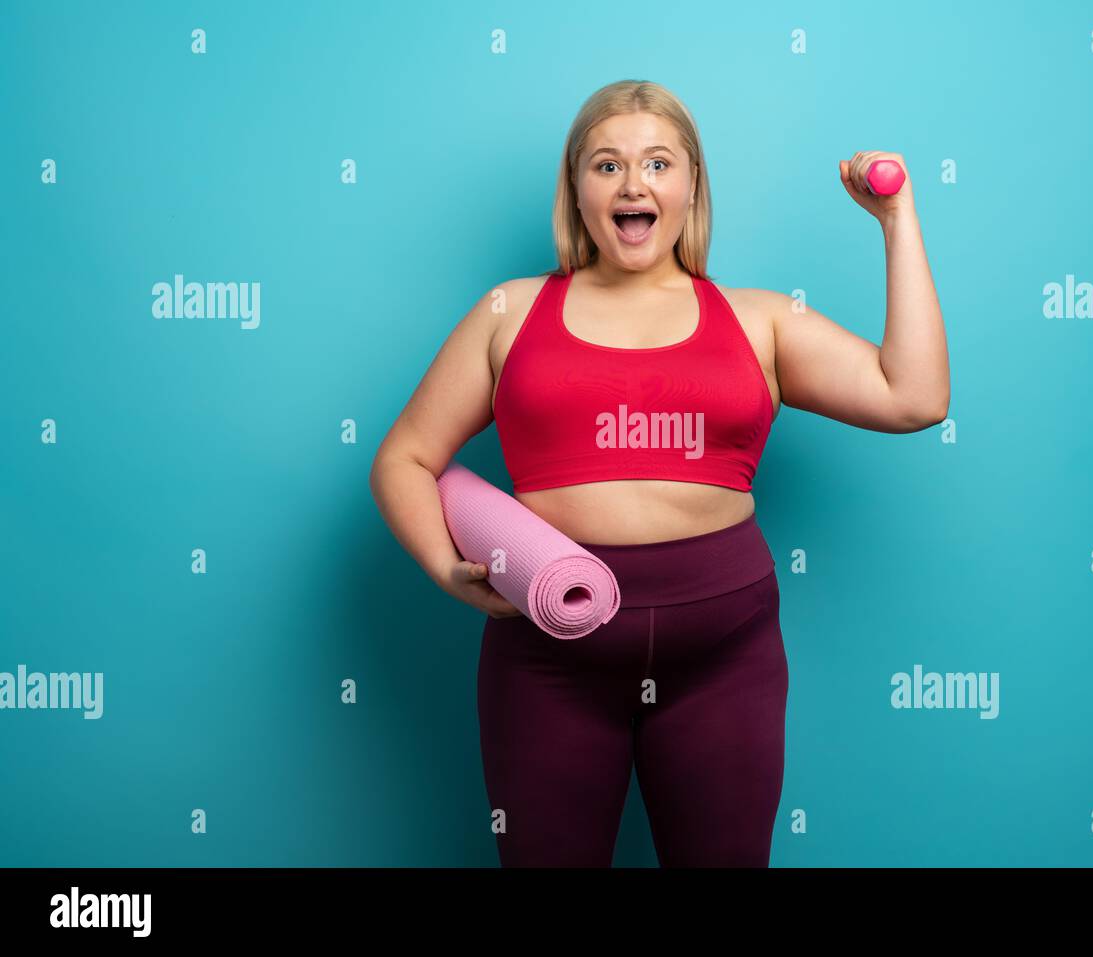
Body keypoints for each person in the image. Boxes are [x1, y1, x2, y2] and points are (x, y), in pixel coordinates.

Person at [369, 79, 948, 867]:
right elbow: (404, 457)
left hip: (724, 656)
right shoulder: (509, 311)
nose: (632, 183)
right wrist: (445, 566)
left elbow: (913, 396)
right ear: (576, 191)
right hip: (548, 653)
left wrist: (897, 219)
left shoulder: (760, 319)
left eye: (657, 163)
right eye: (606, 166)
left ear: (690, 188)